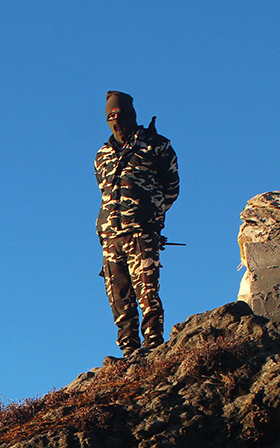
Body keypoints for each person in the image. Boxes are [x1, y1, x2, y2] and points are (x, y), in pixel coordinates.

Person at [95, 90, 179, 358]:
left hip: (141, 232)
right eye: (110, 118)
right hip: (110, 237)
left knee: (147, 291)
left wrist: (148, 214)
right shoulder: (103, 154)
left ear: (131, 115)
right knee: (118, 297)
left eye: (119, 116)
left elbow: (171, 189)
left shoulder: (157, 145)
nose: (116, 122)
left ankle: (153, 343)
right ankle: (128, 348)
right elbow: (103, 189)